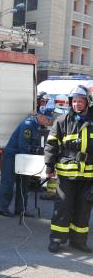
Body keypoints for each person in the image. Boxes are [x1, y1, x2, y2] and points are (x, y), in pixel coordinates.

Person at [45, 85, 93, 253]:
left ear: (88, 102)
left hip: (88, 177)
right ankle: (57, 240)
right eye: (74, 101)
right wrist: (49, 166)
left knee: (83, 211)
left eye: (80, 101)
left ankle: (78, 241)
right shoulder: (62, 120)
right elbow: (51, 145)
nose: (76, 104)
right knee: (62, 208)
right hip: (66, 176)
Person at [0, 107, 54, 217]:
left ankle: (21, 209)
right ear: (41, 117)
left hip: (23, 157)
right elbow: (24, 146)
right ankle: (2, 208)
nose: (49, 122)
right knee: (8, 182)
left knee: (24, 183)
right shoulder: (28, 125)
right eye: (48, 119)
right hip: (13, 156)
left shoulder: (37, 125)